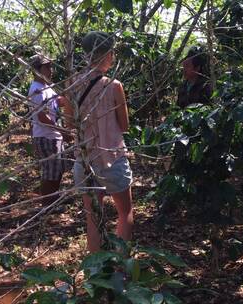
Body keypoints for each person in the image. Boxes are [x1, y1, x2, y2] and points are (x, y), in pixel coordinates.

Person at [73, 31, 133, 252]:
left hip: (85, 160)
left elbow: (71, 122)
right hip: (112, 158)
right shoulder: (114, 86)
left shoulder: (73, 85)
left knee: (92, 219)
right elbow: (124, 126)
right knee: (125, 212)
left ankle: (96, 273)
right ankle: (120, 267)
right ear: (107, 53)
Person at [28, 54, 72, 205]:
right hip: (46, 136)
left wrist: (71, 93)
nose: (51, 70)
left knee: (57, 170)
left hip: (53, 136)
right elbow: (42, 117)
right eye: (47, 67)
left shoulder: (46, 87)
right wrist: (62, 131)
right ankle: (47, 204)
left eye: (50, 66)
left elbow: (57, 102)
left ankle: (53, 200)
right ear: (36, 70)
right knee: (50, 172)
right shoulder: (36, 90)